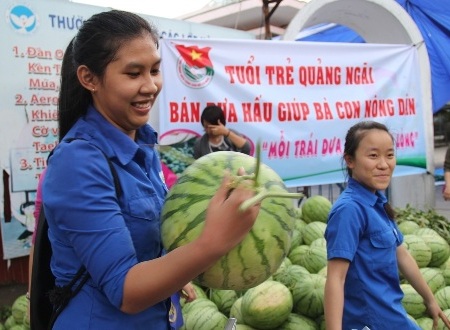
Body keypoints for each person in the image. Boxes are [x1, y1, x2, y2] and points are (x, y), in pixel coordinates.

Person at [38, 10, 259, 329]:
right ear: (89, 78)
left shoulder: (143, 146)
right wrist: (211, 243)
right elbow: (125, 290)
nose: (151, 85)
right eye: (133, 73)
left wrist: (172, 271)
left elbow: (149, 240)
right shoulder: (79, 162)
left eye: (155, 70)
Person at [324, 121, 450, 330]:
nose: (384, 164)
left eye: (389, 155)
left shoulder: (378, 202)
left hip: (392, 317)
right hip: (368, 323)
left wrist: (430, 299)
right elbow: (336, 279)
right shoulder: (349, 210)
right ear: (350, 160)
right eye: (373, 156)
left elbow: (402, 255)